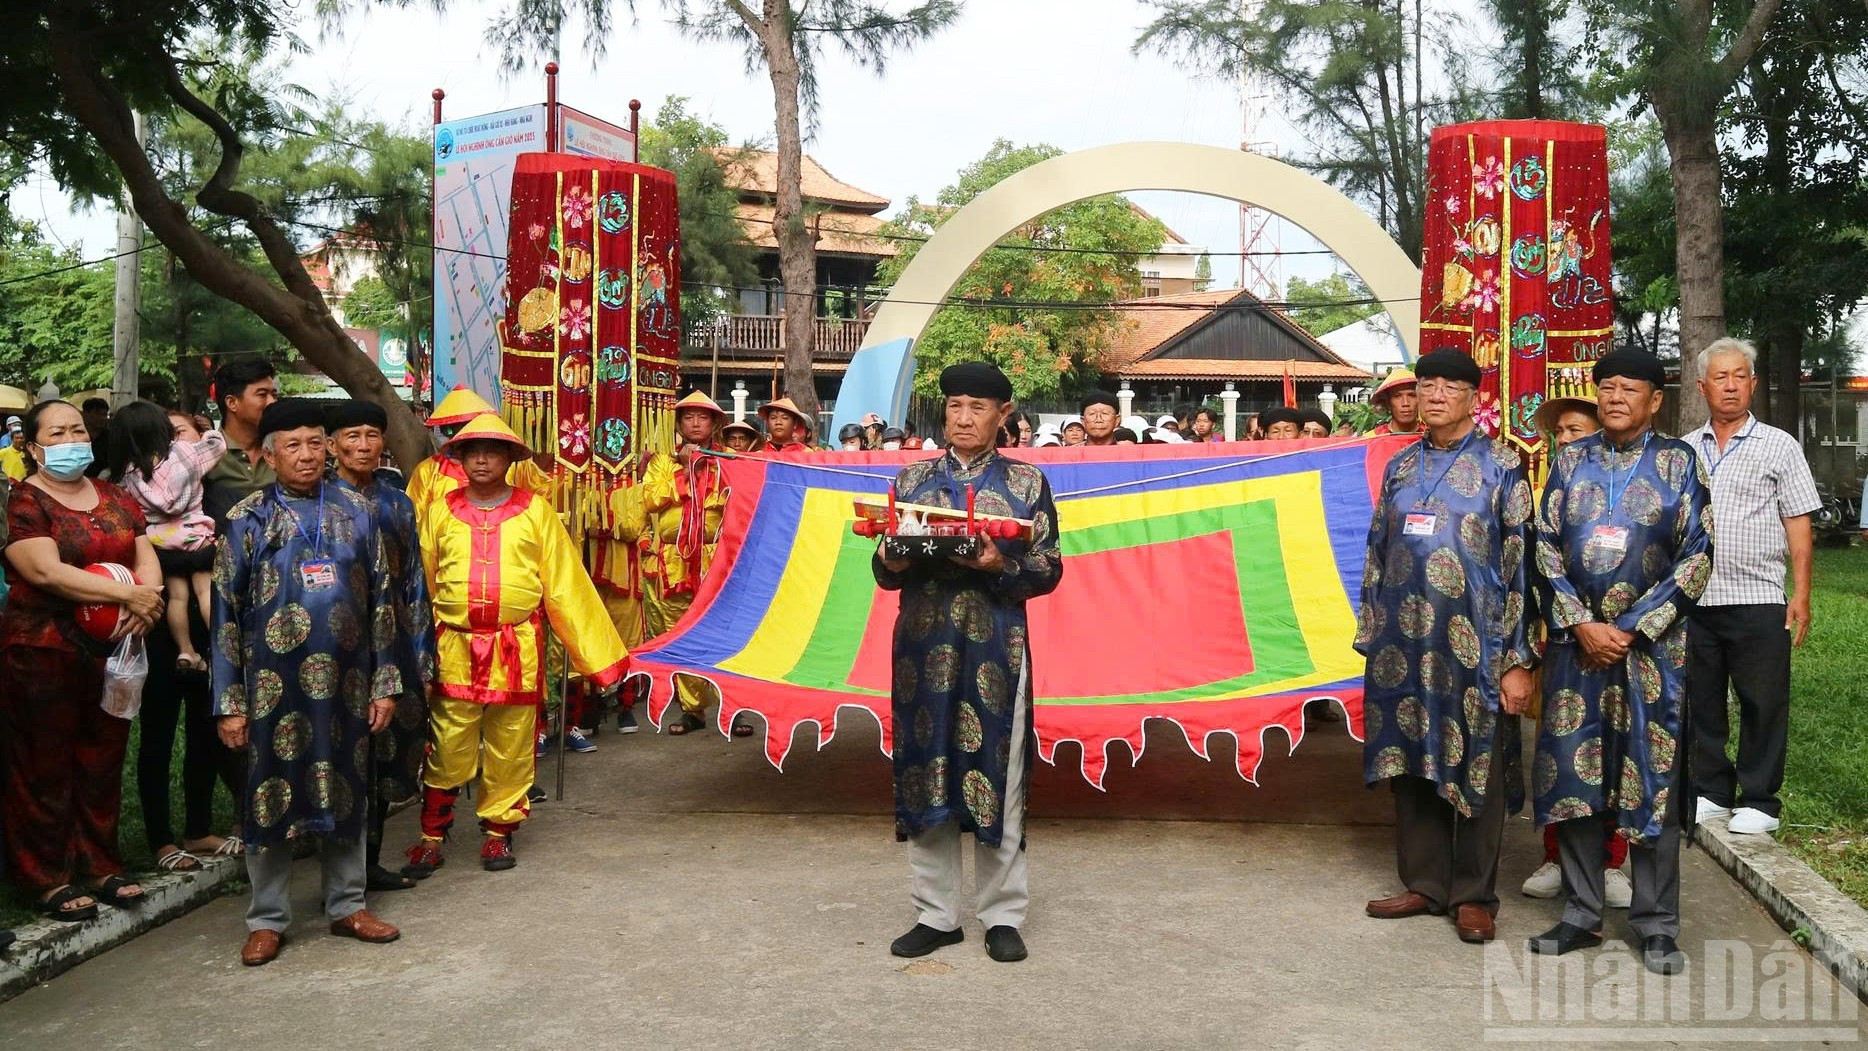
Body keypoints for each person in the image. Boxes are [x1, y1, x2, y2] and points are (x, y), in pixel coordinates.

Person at [1527, 348, 1712, 977]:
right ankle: (1581, 914)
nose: (1613, 398)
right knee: (1576, 781)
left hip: (1650, 656)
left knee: (1650, 780)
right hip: (1578, 651)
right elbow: (1544, 546)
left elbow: (1698, 555)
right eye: (1606, 387)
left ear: (1655, 400)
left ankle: (1656, 924)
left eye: (1628, 389)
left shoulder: (1679, 462)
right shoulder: (1570, 459)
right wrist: (1580, 622)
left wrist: (1631, 629)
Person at [874, 361, 1063, 965]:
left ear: (1002, 416)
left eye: (977, 407)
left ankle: (1002, 915)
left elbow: (1049, 570)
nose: (962, 418)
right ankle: (936, 915)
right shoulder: (911, 479)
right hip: (921, 649)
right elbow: (881, 570)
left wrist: (996, 567)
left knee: (998, 777)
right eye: (954, 405)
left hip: (996, 651)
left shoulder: (1029, 484)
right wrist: (895, 560)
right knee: (924, 768)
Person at [211, 399, 409, 966]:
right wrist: (230, 702)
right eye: (292, 445)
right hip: (273, 688)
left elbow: (381, 605)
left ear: (328, 449)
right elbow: (223, 611)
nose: (306, 455)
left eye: (315, 444)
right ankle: (267, 918)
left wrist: (385, 682)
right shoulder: (247, 517)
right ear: (269, 455)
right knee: (267, 794)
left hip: (348, 684)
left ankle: (347, 906)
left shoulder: (357, 510)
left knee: (347, 784)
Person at [1357, 350, 1537, 945]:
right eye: (1426, 385)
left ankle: (1473, 894)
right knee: (1411, 760)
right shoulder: (1402, 466)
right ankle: (1425, 882)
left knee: (1477, 764)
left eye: (1449, 386)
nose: (1434, 395)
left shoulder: (1502, 467)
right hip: (1403, 646)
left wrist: (1516, 659)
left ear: (1471, 397)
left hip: (1475, 646)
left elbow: (1521, 568)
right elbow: (1377, 551)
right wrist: (1372, 627)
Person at [405, 414, 629, 877]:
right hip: (454, 649)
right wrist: (415, 651)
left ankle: (498, 833)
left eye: (492, 451)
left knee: (511, 744)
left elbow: (565, 584)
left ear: (510, 459)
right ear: (460, 459)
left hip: (516, 647)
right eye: (472, 451)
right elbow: (421, 584)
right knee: (447, 744)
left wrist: (600, 660)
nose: (482, 459)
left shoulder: (536, 510)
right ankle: (431, 833)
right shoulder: (439, 510)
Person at [1, 400, 164, 922]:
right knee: (42, 765)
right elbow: (44, 571)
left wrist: (148, 597)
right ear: (31, 446)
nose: (71, 439)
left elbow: (145, 555)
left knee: (102, 758)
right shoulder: (24, 502)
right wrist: (128, 597)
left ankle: (100, 864)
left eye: (77, 429)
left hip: (113, 650)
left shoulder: (115, 496)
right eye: (57, 432)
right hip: (43, 650)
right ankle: (46, 876)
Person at [1684, 338, 1820, 836]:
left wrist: (1800, 594)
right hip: (1695, 599)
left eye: (1740, 376)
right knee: (1701, 700)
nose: (1731, 385)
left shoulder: (1779, 445)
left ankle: (1760, 798)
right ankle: (1711, 792)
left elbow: (1798, 524)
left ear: (1754, 384)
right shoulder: (1686, 450)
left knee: (1762, 700)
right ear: (1702, 387)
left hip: (1759, 596)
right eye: (1721, 377)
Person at [1520, 390, 1632, 908]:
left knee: (1618, 751)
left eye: (1575, 431)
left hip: (1628, 642)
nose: (1565, 440)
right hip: (1564, 637)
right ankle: (1555, 854)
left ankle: (1611, 861)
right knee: (1561, 752)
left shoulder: (1635, 486)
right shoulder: (1553, 490)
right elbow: (1540, 561)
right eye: (1559, 432)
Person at [325, 399, 437, 892]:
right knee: (339, 754)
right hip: (339, 644)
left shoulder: (396, 502)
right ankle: (335, 870)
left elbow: (414, 579)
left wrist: (421, 653)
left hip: (392, 644)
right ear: (332, 445)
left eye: (373, 435)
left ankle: (368, 864)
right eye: (353, 436)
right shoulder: (320, 501)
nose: (365, 446)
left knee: (384, 752)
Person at [642, 392, 748, 738]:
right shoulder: (662, 461)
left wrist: (708, 464)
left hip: (718, 557)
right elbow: (651, 499)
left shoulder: (731, 458)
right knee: (681, 632)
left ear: (716, 423)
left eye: (703, 418)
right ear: (679, 424)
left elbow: (744, 499)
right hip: (673, 560)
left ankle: (734, 706)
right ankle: (692, 708)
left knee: (726, 632)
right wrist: (684, 471)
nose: (695, 423)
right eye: (688, 418)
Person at [110, 402, 226, 674]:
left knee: (176, 597)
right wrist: (208, 431)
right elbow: (216, 446)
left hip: (161, 539)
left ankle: (186, 650)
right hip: (194, 531)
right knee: (205, 591)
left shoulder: (128, 474)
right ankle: (222, 652)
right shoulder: (184, 453)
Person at [405, 385, 555, 526]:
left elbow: (546, 493)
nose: (460, 434)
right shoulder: (428, 471)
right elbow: (415, 522)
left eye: (467, 427)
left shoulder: (516, 465)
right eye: (450, 429)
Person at [202, 358, 279, 524]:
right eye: (262, 395)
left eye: (274, 395)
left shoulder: (284, 451)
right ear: (232, 403)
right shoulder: (205, 457)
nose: (272, 402)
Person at [1369, 368, 1421, 436]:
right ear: (1387, 402)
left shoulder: (1434, 438)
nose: (1405, 403)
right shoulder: (1372, 439)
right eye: (1397, 396)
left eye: (1412, 395)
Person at [81, 397, 111, 478]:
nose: (102, 418)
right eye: (97, 413)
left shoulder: (110, 438)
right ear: (85, 414)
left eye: (104, 415)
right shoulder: (77, 437)